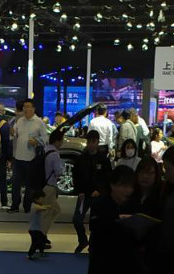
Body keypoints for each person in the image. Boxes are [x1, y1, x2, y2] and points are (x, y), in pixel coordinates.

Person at [87, 166, 142, 274]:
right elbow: (95, 227)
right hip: (101, 266)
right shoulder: (100, 203)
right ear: (112, 185)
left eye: (130, 186)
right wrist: (117, 220)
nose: (128, 190)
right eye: (123, 186)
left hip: (126, 268)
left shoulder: (135, 206)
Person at [27, 127, 65, 259]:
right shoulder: (54, 154)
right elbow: (58, 172)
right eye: (62, 140)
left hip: (43, 186)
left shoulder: (45, 150)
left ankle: (42, 236)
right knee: (49, 211)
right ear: (58, 141)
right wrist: (62, 168)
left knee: (52, 210)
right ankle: (41, 236)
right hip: (50, 187)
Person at [72, 129, 111, 252]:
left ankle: (94, 244)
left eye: (93, 142)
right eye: (89, 142)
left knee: (95, 222)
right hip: (84, 194)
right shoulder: (81, 158)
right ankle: (83, 240)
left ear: (97, 142)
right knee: (77, 220)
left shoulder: (103, 159)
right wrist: (79, 191)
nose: (91, 144)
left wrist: (100, 190)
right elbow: (76, 176)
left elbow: (108, 178)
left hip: (98, 195)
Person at [8, 98, 47, 213]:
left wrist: (37, 141)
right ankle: (15, 205)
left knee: (29, 184)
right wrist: (11, 131)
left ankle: (27, 206)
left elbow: (45, 139)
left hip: (31, 158)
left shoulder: (39, 122)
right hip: (18, 157)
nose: (26, 109)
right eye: (24, 107)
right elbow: (14, 134)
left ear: (33, 109)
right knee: (15, 183)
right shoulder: (20, 121)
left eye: (28, 107)